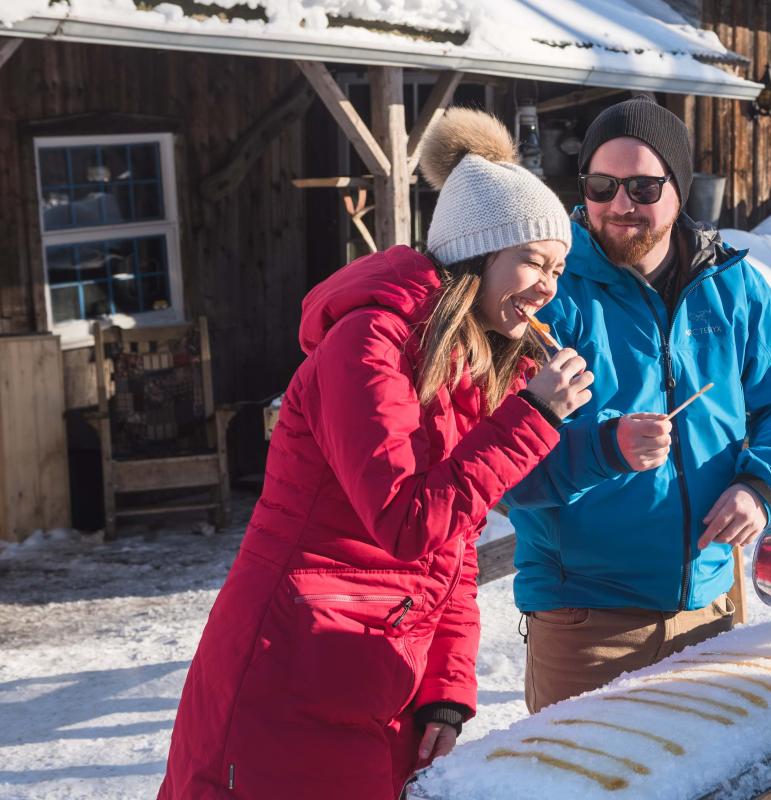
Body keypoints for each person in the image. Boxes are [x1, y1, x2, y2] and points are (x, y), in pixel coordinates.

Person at [159, 108, 594, 799]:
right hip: (290, 668)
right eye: (533, 262)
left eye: (559, 269)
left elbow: (448, 553)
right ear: (476, 253)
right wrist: (533, 416)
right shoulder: (368, 345)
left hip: (382, 680)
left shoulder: (472, 368)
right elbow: (405, 522)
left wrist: (446, 689)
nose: (548, 287)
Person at [504, 97, 771, 712]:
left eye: (644, 186)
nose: (621, 204)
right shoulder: (548, 291)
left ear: (679, 191)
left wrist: (761, 484)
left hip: (708, 608)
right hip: (586, 621)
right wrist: (605, 449)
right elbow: (505, 470)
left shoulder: (729, 283)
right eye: (602, 185)